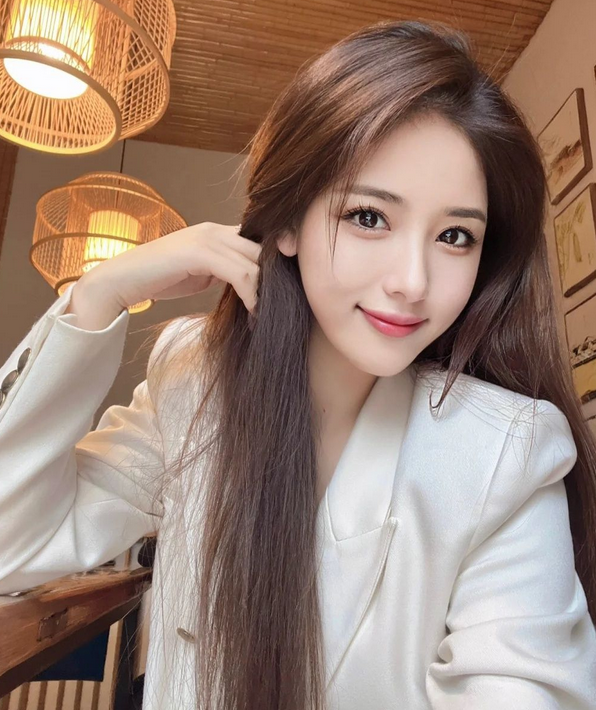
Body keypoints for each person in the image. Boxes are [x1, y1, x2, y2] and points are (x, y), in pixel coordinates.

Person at [0, 17, 595, 710]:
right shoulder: (194, 379)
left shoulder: (507, 451)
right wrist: (101, 293)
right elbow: (15, 543)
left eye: (456, 235)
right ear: (286, 222)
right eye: (369, 217)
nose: (412, 281)